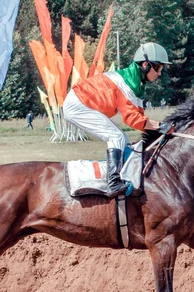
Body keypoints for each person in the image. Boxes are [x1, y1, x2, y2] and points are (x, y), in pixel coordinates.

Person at [63, 42, 173, 198]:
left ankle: (121, 176)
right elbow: (132, 119)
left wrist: (158, 127)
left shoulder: (135, 82)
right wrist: (160, 126)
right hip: (78, 105)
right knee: (117, 137)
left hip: (81, 103)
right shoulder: (127, 83)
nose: (160, 73)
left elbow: (139, 116)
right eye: (158, 67)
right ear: (145, 64)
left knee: (123, 138)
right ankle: (113, 183)